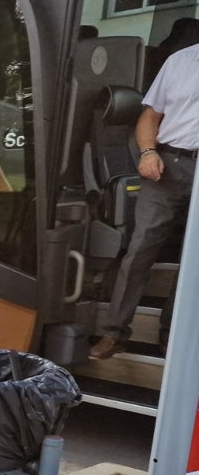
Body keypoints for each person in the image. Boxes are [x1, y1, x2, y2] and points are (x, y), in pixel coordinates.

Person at [90, 40, 199, 359]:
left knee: (193, 262)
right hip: (168, 164)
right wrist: (148, 152)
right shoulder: (181, 60)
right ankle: (115, 333)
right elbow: (150, 117)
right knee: (139, 250)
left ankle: (172, 335)